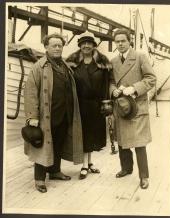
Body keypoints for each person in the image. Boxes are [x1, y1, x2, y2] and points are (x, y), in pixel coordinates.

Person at [23, 33, 83, 193]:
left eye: (60, 45)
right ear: (46, 47)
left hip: (64, 113)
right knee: (42, 144)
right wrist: (32, 117)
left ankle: (55, 171)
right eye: (54, 45)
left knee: (58, 142)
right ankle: (39, 179)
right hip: (46, 115)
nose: (57, 48)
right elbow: (30, 92)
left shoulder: (64, 65)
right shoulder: (39, 66)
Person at [109, 29, 156, 189]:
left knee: (139, 143)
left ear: (129, 41)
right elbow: (111, 81)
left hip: (137, 106)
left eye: (123, 41)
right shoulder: (114, 61)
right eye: (117, 41)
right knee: (122, 140)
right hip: (122, 106)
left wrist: (134, 89)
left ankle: (144, 176)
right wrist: (113, 90)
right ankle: (126, 168)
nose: (120, 44)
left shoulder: (140, 57)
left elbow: (151, 79)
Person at [66, 31, 111, 179]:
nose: (86, 46)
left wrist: (106, 103)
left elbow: (106, 84)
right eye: (83, 43)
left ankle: (89, 163)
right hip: (79, 105)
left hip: (96, 105)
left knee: (93, 135)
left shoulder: (103, 62)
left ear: (93, 45)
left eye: (89, 43)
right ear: (79, 45)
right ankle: (84, 165)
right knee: (83, 134)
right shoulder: (71, 62)